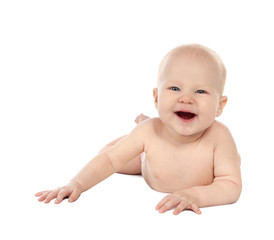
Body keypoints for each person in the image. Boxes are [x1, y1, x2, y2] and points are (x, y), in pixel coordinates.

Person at [35, 44, 242, 215]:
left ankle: (142, 131)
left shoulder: (219, 138)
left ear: (220, 106)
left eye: (200, 91)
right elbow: (109, 160)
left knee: (229, 162)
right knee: (109, 153)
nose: (186, 98)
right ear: (157, 97)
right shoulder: (150, 133)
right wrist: (76, 184)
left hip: (162, 147)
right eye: (175, 88)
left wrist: (194, 196)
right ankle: (140, 132)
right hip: (146, 159)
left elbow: (230, 186)